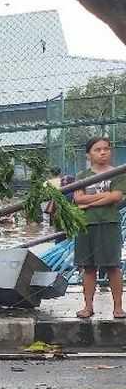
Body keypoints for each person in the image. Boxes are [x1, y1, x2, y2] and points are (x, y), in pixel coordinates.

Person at [73, 137, 125, 319]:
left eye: (106, 149)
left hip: (109, 223)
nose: (103, 152)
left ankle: (118, 308)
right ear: (89, 155)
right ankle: (88, 307)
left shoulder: (118, 173)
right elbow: (78, 199)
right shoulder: (81, 176)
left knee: (113, 266)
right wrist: (105, 196)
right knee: (88, 267)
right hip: (86, 224)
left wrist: (89, 202)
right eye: (97, 149)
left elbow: (116, 197)